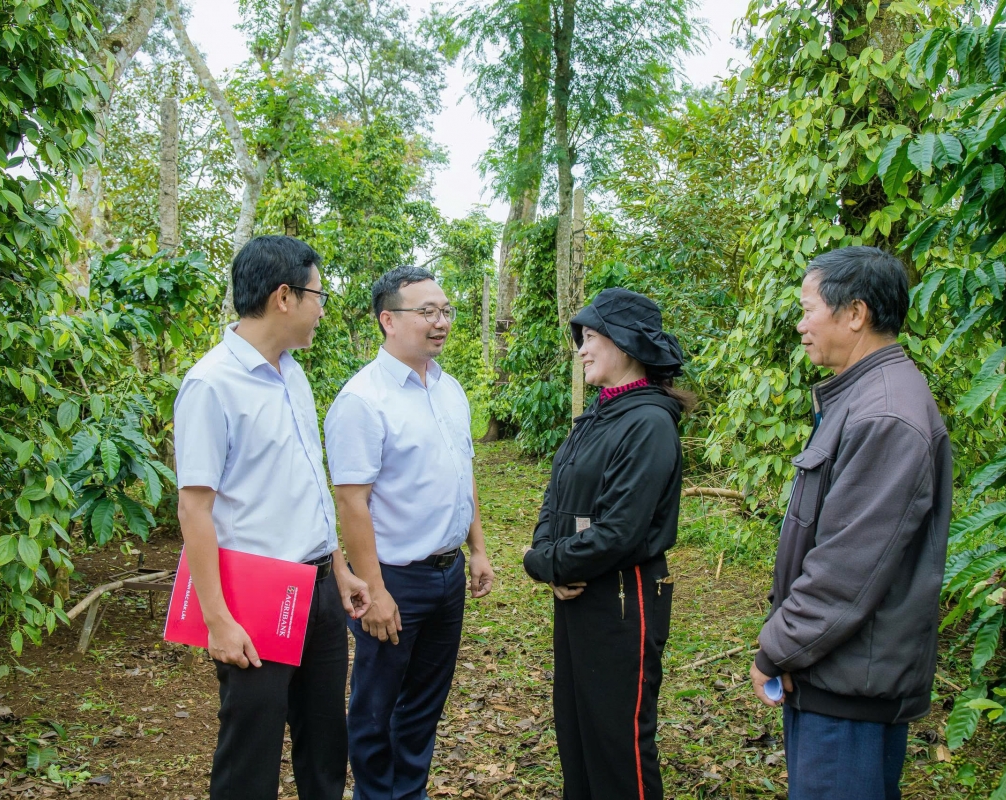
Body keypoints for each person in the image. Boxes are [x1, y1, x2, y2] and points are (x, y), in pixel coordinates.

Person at [749, 246, 952, 800]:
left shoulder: (885, 413)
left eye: (808, 308)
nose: (799, 325)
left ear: (855, 313)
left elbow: (847, 568)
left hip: (849, 692)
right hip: (833, 678)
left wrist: (777, 647)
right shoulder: (860, 397)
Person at [173, 235, 369, 800]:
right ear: (285, 296)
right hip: (254, 595)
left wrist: (340, 566)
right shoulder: (211, 384)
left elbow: (306, 484)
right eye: (318, 294)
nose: (322, 308)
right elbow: (195, 508)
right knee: (250, 757)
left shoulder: (293, 374)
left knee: (327, 745)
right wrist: (217, 620)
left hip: (321, 589)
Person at [324, 265, 496, 800]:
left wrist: (478, 550)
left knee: (424, 705)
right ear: (388, 320)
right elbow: (352, 501)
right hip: (394, 577)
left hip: (446, 575)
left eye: (445, 310)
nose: (440, 322)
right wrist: (373, 591)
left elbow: (461, 473)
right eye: (426, 312)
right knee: (378, 707)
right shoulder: (361, 400)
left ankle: (409, 793)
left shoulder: (449, 389)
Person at [522, 288, 692, 800]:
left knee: (618, 742)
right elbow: (558, 496)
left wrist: (544, 562)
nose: (582, 349)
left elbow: (621, 531)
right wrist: (549, 557)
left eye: (591, 337)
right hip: (579, 593)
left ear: (625, 344)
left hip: (624, 598)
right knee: (577, 731)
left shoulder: (648, 422)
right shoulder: (599, 415)